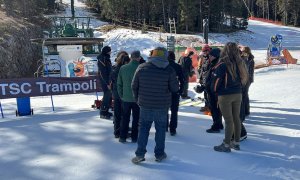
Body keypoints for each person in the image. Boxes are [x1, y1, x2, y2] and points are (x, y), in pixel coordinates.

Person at [131, 47, 179, 164]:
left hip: (145, 105)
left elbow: (134, 86)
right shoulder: (169, 70)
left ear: (152, 55)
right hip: (162, 106)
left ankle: (140, 154)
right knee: (161, 130)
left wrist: (137, 99)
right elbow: (174, 89)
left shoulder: (142, 68)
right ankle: (159, 154)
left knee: (143, 129)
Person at [213, 42, 248, 152]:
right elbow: (244, 79)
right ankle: (236, 142)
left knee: (228, 120)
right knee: (236, 118)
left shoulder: (223, 64)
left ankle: (226, 144)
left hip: (225, 95)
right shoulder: (240, 63)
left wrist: (215, 91)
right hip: (238, 94)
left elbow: (216, 81)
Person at [117, 51, 141, 143]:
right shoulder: (141, 68)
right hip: (137, 99)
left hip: (125, 98)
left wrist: (121, 95)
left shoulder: (123, 68)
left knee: (125, 118)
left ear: (131, 57)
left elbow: (119, 84)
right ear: (138, 58)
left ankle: (122, 137)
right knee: (136, 119)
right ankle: (134, 137)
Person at [110, 51, 130, 138]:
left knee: (117, 113)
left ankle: (117, 131)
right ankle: (122, 132)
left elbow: (111, 80)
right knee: (124, 114)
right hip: (123, 93)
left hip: (116, 92)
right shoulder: (125, 69)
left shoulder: (114, 68)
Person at [205, 48, 224, 133]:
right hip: (211, 90)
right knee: (215, 109)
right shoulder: (212, 63)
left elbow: (216, 79)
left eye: (211, 55)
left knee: (215, 109)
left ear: (216, 56)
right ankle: (218, 124)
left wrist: (213, 90)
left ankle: (216, 126)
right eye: (209, 55)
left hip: (215, 91)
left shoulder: (218, 65)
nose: (209, 57)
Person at [167, 51, 184, 136]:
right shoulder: (178, 66)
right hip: (175, 91)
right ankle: (173, 129)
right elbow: (182, 79)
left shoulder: (164, 66)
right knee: (174, 111)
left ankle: (164, 126)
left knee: (164, 110)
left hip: (165, 91)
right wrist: (181, 90)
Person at [239, 46, 255, 141]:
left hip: (246, 80)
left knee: (244, 96)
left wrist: (249, 79)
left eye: (244, 51)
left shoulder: (247, 59)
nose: (242, 53)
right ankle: (246, 110)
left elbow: (248, 70)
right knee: (245, 95)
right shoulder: (248, 58)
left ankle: (245, 111)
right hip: (247, 79)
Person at [97, 46, 113, 119]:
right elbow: (102, 72)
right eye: (110, 51)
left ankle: (106, 111)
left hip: (108, 80)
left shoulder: (106, 58)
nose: (111, 52)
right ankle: (103, 112)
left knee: (109, 95)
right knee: (107, 95)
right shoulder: (102, 59)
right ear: (107, 51)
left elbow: (109, 70)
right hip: (105, 80)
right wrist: (107, 83)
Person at [198, 44, 211, 112]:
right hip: (204, 79)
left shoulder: (211, 58)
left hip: (209, 80)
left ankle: (210, 107)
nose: (204, 52)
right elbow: (203, 69)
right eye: (203, 51)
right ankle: (207, 106)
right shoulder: (205, 57)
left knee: (209, 94)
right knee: (205, 94)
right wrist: (200, 78)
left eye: (205, 51)